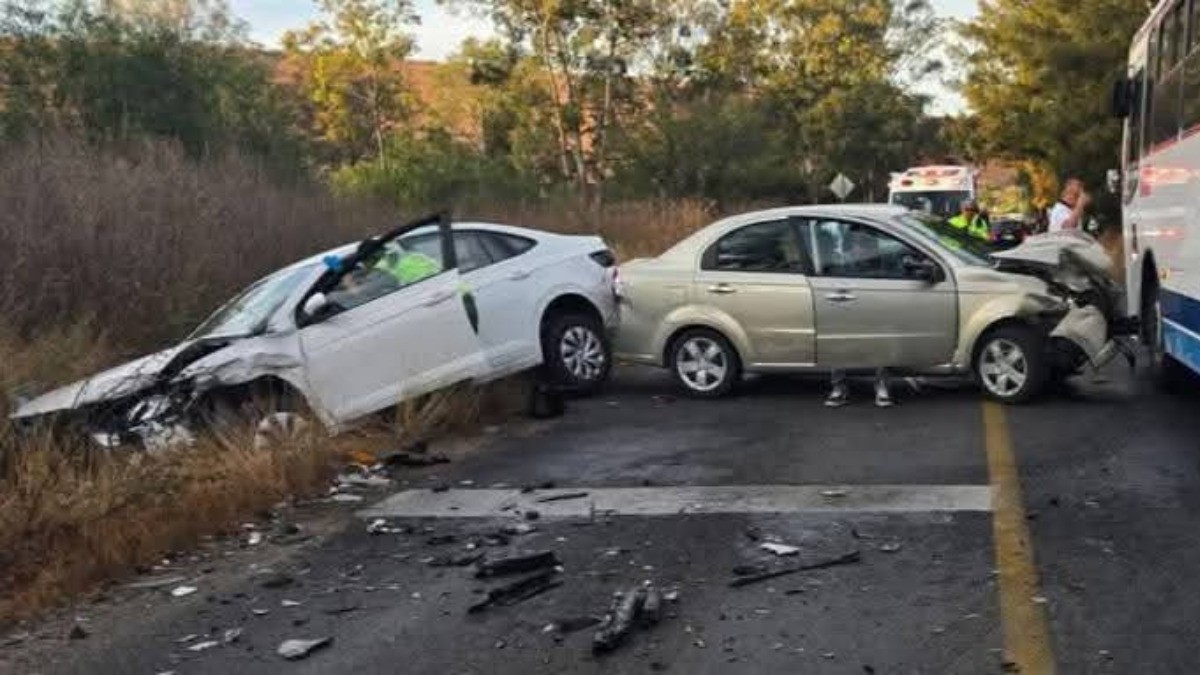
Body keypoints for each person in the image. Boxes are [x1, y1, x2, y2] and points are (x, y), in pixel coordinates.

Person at [825, 227, 894, 408]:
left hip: (877, 311)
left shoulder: (885, 263)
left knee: (883, 341)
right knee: (839, 342)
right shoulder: (841, 263)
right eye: (858, 244)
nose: (862, 249)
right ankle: (839, 387)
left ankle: (882, 386)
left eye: (866, 244)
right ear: (851, 246)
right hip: (849, 311)